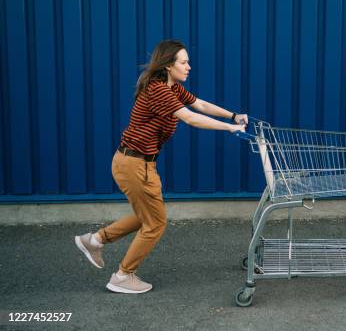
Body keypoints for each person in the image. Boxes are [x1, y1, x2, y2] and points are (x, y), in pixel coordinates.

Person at [74, 39, 247, 294]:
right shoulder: (158, 91)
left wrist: (232, 115)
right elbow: (190, 118)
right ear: (168, 65)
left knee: (148, 216)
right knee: (155, 223)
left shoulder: (173, 89)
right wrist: (230, 128)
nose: (189, 66)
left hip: (141, 164)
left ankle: (95, 240)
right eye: (184, 62)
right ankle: (122, 275)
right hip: (133, 164)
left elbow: (199, 105)